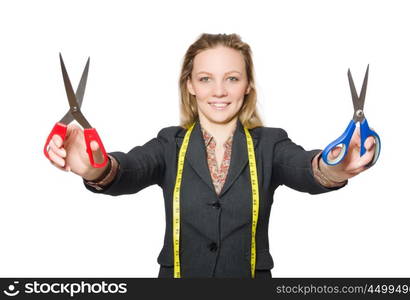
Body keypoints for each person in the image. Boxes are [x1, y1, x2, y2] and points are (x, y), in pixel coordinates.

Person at [46, 33, 377, 278]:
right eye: (206, 79)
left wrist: (336, 169)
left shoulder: (269, 145)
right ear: (190, 85)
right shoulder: (169, 144)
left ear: (247, 85)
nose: (219, 91)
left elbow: (306, 169)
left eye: (232, 78)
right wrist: (96, 168)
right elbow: (129, 169)